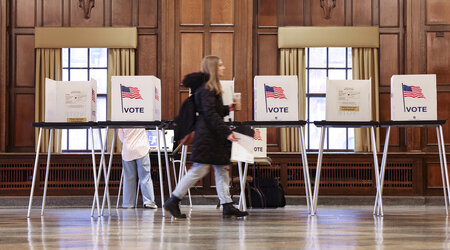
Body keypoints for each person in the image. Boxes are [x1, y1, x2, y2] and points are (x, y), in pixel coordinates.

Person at [164, 55, 248, 218]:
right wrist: (227, 133)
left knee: (222, 169)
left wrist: (227, 108)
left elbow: (210, 111)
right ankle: (173, 200)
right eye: (221, 65)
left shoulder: (209, 88)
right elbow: (209, 114)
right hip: (208, 136)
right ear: (213, 68)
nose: (223, 68)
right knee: (199, 169)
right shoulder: (207, 88)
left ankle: (227, 204)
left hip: (211, 136)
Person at [118, 128, 157, 209]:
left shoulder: (122, 118)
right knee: (145, 177)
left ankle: (128, 203)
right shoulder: (142, 117)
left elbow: (121, 136)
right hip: (141, 148)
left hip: (128, 150)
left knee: (128, 178)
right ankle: (149, 202)